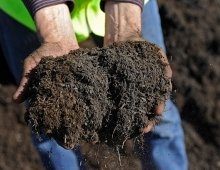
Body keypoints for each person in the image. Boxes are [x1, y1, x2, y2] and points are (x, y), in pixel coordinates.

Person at [0, 0, 188, 169]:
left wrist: (126, 10)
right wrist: (51, 26)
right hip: (28, 12)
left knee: (155, 109)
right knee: (51, 124)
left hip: (133, 7)